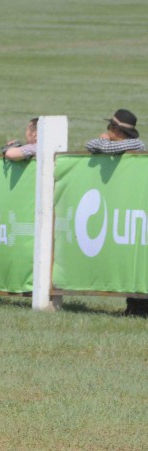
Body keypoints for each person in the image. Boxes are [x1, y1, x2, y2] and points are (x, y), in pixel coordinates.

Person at [84, 110, 146, 317]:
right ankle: (134, 308)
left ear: (116, 129)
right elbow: (91, 145)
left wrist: (103, 141)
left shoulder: (136, 145)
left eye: (109, 127)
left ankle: (140, 308)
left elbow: (98, 145)